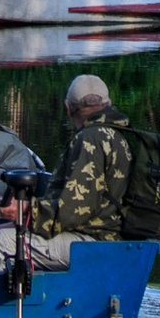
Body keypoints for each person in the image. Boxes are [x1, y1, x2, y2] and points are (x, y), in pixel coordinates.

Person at [50, 72, 136, 240]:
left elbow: (72, 213)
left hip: (95, 238)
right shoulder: (121, 133)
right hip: (114, 234)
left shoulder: (89, 139)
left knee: (4, 239)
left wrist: (26, 213)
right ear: (109, 104)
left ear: (68, 108)